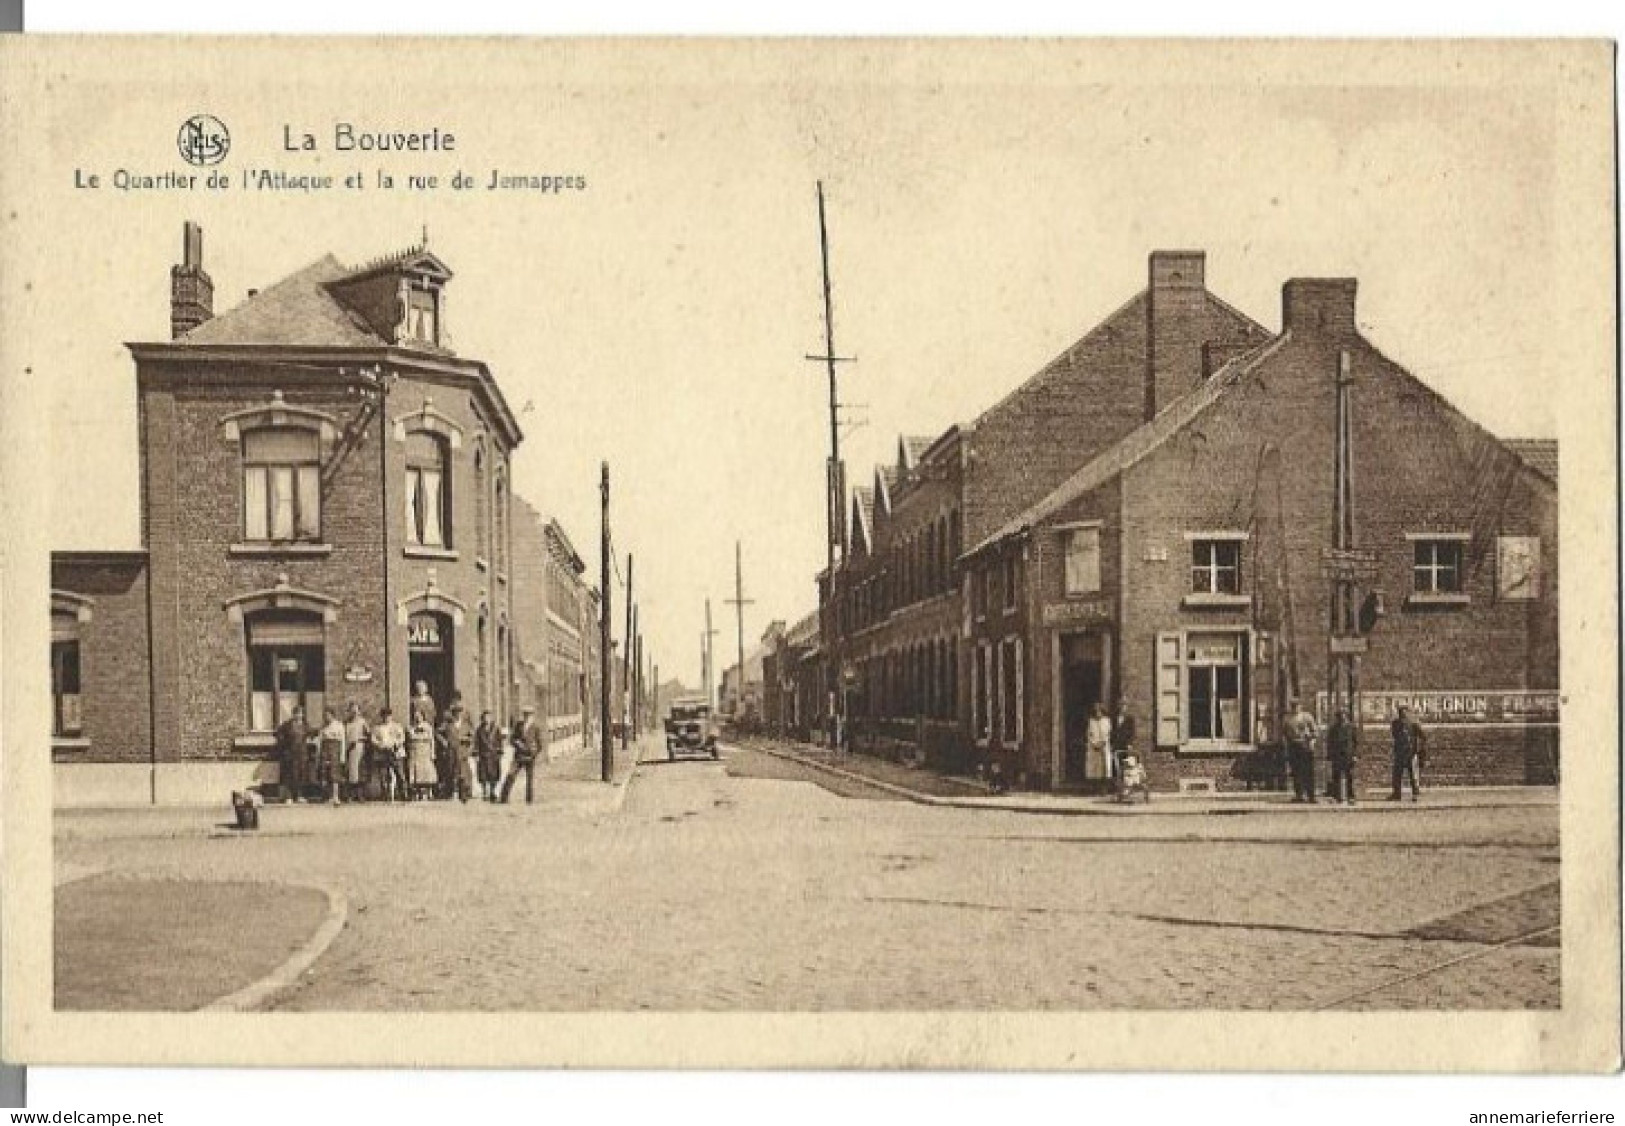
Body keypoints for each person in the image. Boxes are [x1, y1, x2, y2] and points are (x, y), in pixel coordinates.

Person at [502, 703, 543, 804]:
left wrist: (534, 753)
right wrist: (517, 743)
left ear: (532, 716)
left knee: (529, 779)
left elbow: (540, 744)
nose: (527, 717)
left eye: (529, 715)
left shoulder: (536, 728)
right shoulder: (518, 725)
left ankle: (529, 800)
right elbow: (512, 739)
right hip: (518, 756)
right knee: (511, 775)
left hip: (529, 756)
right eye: (525, 714)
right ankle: (504, 798)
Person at [438, 699, 474, 803]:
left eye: (459, 712)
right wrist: (444, 742)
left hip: (462, 752)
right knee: (451, 771)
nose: (457, 714)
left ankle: (463, 794)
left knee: (463, 773)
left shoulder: (466, 725)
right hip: (451, 751)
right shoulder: (448, 724)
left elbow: (472, 737)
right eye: (455, 712)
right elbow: (438, 732)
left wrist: (467, 741)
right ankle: (451, 793)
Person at [1390, 704, 1427, 802]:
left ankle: (1414, 793)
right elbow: (1395, 736)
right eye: (1400, 712)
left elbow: (1423, 735)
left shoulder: (1413, 723)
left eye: (1403, 712)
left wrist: (1419, 748)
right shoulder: (1396, 723)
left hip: (1410, 751)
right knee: (1398, 774)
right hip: (1401, 752)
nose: (1402, 714)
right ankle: (1397, 794)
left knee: (1412, 774)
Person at [1285, 699, 1319, 803]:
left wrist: (1311, 740)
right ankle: (1299, 795)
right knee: (1296, 771)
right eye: (1293, 706)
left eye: (1297, 705)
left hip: (1306, 746)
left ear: (1301, 706)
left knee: (1308, 771)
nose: (1295, 708)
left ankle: (1311, 795)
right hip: (1294, 746)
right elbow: (1286, 733)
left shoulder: (1307, 717)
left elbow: (1315, 732)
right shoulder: (1288, 719)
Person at [370, 706, 406, 802]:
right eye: (384, 716)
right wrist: (380, 745)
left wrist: (396, 744)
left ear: (391, 716)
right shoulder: (377, 728)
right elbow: (373, 739)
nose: (386, 718)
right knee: (383, 775)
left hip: (395, 752)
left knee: (399, 773)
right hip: (382, 753)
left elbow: (402, 737)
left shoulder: (397, 726)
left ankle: (403, 793)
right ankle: (386, 794)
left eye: (388, 716)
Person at [275, 705, 310, 802]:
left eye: (300, 713)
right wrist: (284, 746)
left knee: (301, 775)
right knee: (290, 775)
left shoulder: (305, 725)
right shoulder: (287, 725)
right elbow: (278, 734)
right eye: (296, 713)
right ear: (293, 714)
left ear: (302, 715)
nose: (298, 715)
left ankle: (299, 796)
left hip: (302, 753)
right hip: (290, 753)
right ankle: (288, 796)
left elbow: (311, 735)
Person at [1326, 707, 1357, 805]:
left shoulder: (1351, 727)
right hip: (1337, 755)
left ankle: (1351, 797)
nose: (1342, 718)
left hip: (1348, 754)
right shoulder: (1333, 728)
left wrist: (1355, 755)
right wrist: (1330, 755)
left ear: (1346, 716)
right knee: (1336, 776)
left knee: (1349, 776)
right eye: (1339, 716)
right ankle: (1336, 796)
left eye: (1343, 715)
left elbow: (1356, 742)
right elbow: (1330, 742)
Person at [316, 707, 346, 806]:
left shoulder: (339, 725)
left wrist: (342, 756)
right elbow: (319, 741)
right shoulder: (323, 727)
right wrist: (319, 753)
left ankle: (335, 796)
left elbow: (342, 741)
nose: (326, 717)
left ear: (332, 715)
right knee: (325, 773)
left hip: (335, 750)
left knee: (335, 774)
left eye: (328, 715)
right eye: (325, 715)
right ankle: (327, 796)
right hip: (324, 751)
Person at [343, 701, 370, 803]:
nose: (354, 712)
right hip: (348, 747)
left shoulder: (363, 722)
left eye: (356, 710)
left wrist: (359, 738)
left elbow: (368, 735)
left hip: (359, 746)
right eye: (352, 710)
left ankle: (360, 795)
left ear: (359, 711)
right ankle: (350, 795)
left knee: (359, 770)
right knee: (350, 771)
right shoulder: (346, 723)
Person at [405, 715, 437, 801]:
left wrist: (432, 753)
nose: (418, 718)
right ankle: (416, 792)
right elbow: (411, 737)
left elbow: (431, 740)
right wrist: (419, 736)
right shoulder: (410, 727)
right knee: (416, 772)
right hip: (415, 751)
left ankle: (428, 793)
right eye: (416, 717)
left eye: (419, 716)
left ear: (423, 717)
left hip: (425, 751)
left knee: (426, 771)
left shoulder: (428, 727)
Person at [474, 709, 503, 802]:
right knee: (483, 776)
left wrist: (500, 753)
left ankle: (492, 792)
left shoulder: (496, 729)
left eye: (488, 717)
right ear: (482, 718)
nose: (487, 719)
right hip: (483, 755)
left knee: (493, 775)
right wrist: (476, 754)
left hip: (493, 755)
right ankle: (485, 793)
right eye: (485, 717)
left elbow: (500, 741)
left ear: (491, 718)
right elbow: (476, 743)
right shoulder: (479, 730)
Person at [1084, 703, 1114, 794]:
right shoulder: (1091, 721)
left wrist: (1102, 743)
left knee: (1104, 768)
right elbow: (1089, 734)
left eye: (1099, 711)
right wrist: (1094, 743)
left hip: (1104, 747)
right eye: (1096, 711)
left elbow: (1108, 734)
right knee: (1094, 769)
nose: (1098, 713)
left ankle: (1104, 788)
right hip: (1093, 748)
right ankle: (1094, 788)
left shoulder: (1107, 721)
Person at [1109, 702, 1137, 798]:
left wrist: (1129, 744)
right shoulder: (1114, 719)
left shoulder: (1130, 719)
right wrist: (1112, 744)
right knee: (1116, 767)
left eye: (1124, 706)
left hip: (1125, 746)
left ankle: (1127, 789)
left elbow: (1132, 732)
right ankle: (1118, 789)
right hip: (1116, 746)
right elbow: (1111, 732)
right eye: (1120, 706)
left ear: (1126, 707)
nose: (1122, 708)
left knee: (1127, 768)